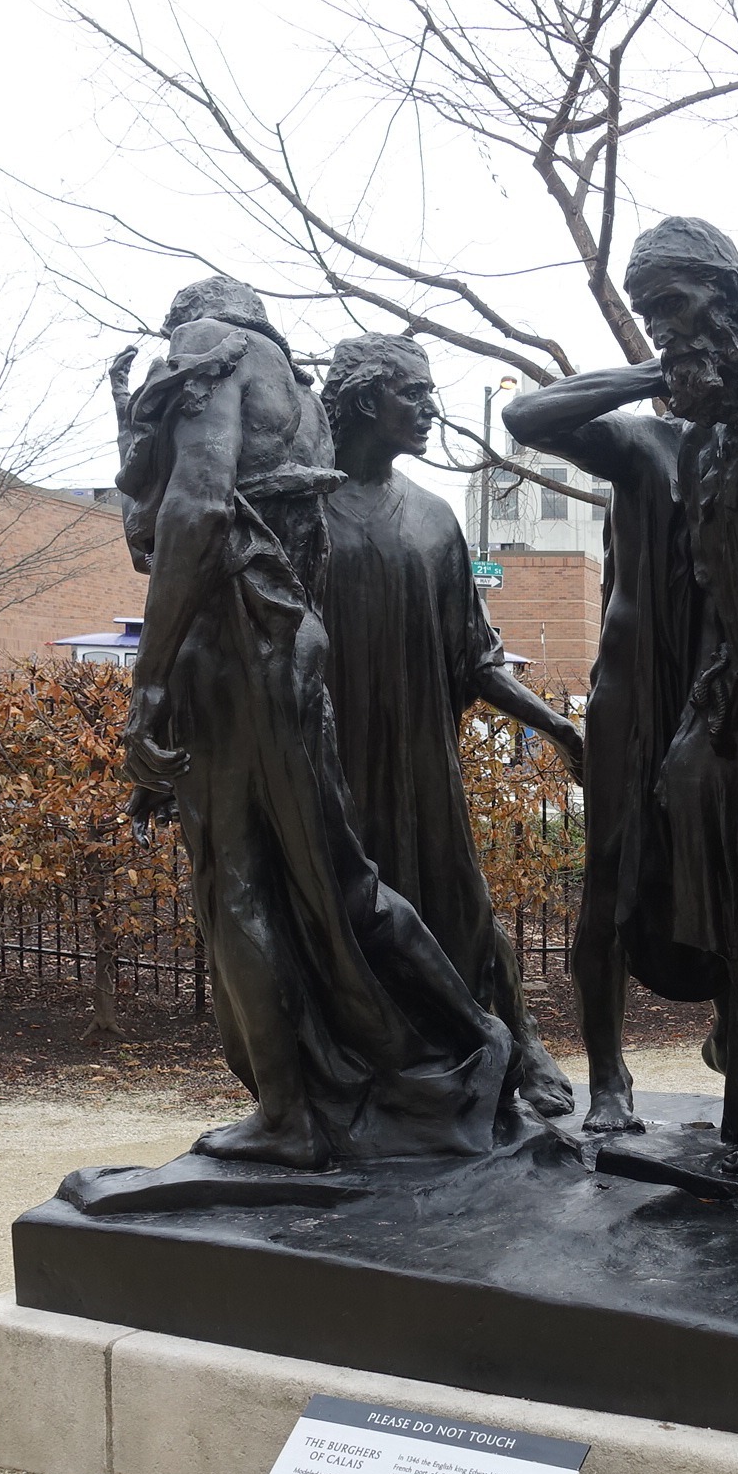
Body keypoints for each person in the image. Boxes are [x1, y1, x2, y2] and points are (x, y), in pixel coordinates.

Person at [112, 276, 514, 1168]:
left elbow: (195, 510)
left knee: (238, 886)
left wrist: (151, 686)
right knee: (341, 879)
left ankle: (288, 1115)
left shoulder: (209, 348)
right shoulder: (296, 396)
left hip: (231, 647)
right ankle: (477, 1038)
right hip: (290, 650)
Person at [504, 218, 738, 1148]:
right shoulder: (668, 442)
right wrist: (654, 374)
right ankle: (638, 1070)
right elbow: (528, 419)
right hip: (682, 697)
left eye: (673, 306)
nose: (665, 329)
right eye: (649, 316)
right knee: (635, 875)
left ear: (731, 296)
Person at [316, 333, 586, 1120]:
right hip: (328, 763)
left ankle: (517, 1041)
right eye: (414, 393)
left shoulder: (434, 521)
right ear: (364, 398)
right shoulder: (300, 512)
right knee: (341, 918)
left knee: (459, 901)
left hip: (420, 761)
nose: (430, 409)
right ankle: (363, 1071)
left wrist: (560, 729)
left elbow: (475, 657)